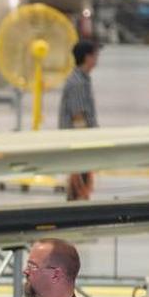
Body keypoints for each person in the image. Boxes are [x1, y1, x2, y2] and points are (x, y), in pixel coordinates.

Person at [59, 41, 100, 200]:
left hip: (80, 144)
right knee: (79, 187)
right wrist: (85, 145)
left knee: (81, 187)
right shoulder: (77, 83)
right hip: (79, 145)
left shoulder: (83, 79)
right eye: (95, 55)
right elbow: (78, 117)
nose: (97, 58)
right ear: (87, 57)